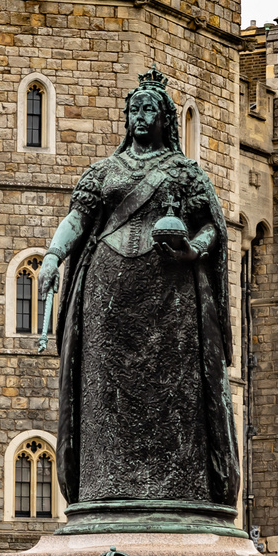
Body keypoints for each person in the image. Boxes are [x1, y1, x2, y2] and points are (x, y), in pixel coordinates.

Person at [37, 68, 237, 525]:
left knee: (174, 393)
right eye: (135, 110)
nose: (141, 117)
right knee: (104, 391)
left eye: (150, 110)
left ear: (166, 119)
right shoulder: (103, 172)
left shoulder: (185, 173)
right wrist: (52, 256)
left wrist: (193, 250)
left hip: (170, 295)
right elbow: (78, 219)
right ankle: (105, 485)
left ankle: (179, 489)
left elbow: (212, 226)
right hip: (107, 289)